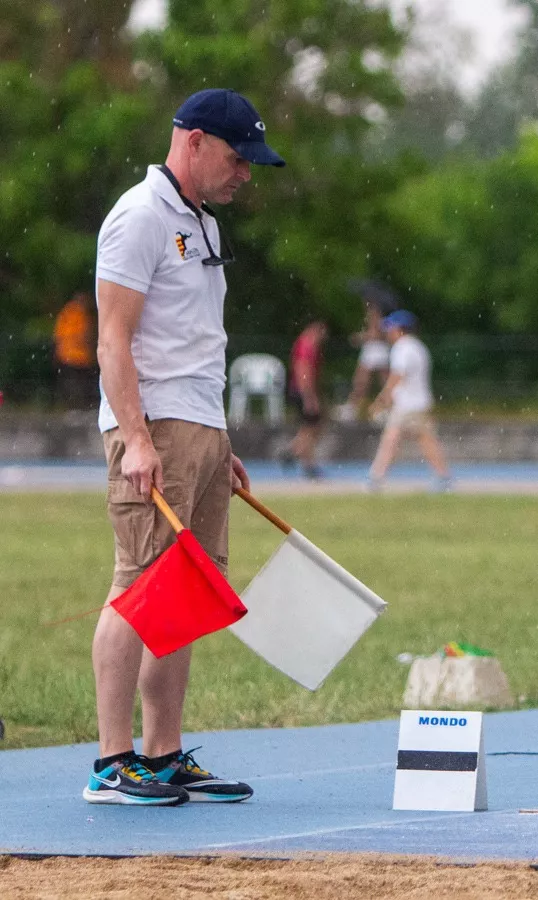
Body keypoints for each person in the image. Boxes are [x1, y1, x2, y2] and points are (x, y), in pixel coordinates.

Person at [87, 87, 285, 806]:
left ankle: (163, 755)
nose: (246, 174)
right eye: (237, 158)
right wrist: (137, 438)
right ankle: (113, 764)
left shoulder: (198, 223)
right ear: (194, 141)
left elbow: (197, 341)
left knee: (186, 592)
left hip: (198, 426)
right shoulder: (140, 217)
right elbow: (114, 339)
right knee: (135, 585)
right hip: (152, 429)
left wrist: (219, 439)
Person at [367, 309, 452, 492]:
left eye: (390, 328)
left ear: (400, 329)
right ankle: (443, 476)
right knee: (425, 439)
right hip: (419, 403)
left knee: (391, 438)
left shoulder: (403, 347)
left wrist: (382, 399)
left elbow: (397, 376)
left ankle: (376, 477)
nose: (388, 332)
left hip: (408, 405)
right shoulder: (418, 347)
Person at [334, 294, 393, 423]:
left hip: (377, 350)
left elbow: (378, 334)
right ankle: (354, 408)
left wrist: (362, 337)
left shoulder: (378, 316)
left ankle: (387, 408)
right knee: (364, 381)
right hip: (372, 350)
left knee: (375, 381)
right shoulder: (373, 315)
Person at [283, 320, 328, 478]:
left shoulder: (302, 343)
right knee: (311, 428)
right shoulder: (307, 345)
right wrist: (309, 397)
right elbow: (303, 371)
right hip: (302, 391)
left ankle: (303, 459)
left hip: (298, 390)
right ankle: (297, 453)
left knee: (308, 428)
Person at [53, 292, 98, 409]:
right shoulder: (77, 314)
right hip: (76, 356)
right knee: (79, 383)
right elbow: (84, 335)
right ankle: (79, 406)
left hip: (70, 356)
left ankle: (75, 406)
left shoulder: (68, 313)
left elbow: (59, 334)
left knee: (75, 383)